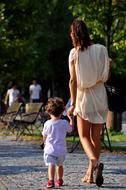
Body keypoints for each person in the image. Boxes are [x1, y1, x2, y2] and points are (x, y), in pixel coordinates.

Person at [67, 19, 112, 187]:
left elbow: (73, 80)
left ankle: (95, 161)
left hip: (83, 97)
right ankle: (90, 174)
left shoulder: (74, 53)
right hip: (100, 95)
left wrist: (72, 103)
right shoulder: (102, 49)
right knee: (95, 137)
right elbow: (106, 76)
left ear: (75, 34)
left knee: (84, 136)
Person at [42, 97, 74, 188]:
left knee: (51, 165)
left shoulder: (47, 123)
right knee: (60, 165)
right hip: (61, 150)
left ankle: (51, 181)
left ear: (49, 112)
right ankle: (59, 180)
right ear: (61, 112)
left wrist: (44, 142)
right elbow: (70, 129)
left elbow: (44, 135)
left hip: (50, 149)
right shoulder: (64, 123)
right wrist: (71, 120)